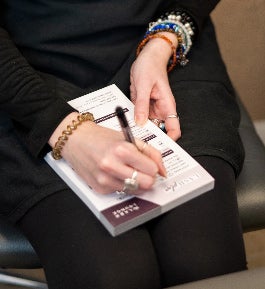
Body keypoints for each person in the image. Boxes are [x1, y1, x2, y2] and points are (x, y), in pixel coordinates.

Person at [0, 1, 247, 289]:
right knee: (117, 275)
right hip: (19, 78)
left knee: (202, 261)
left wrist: (165, 38)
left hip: (161, 47)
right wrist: (63, 129)